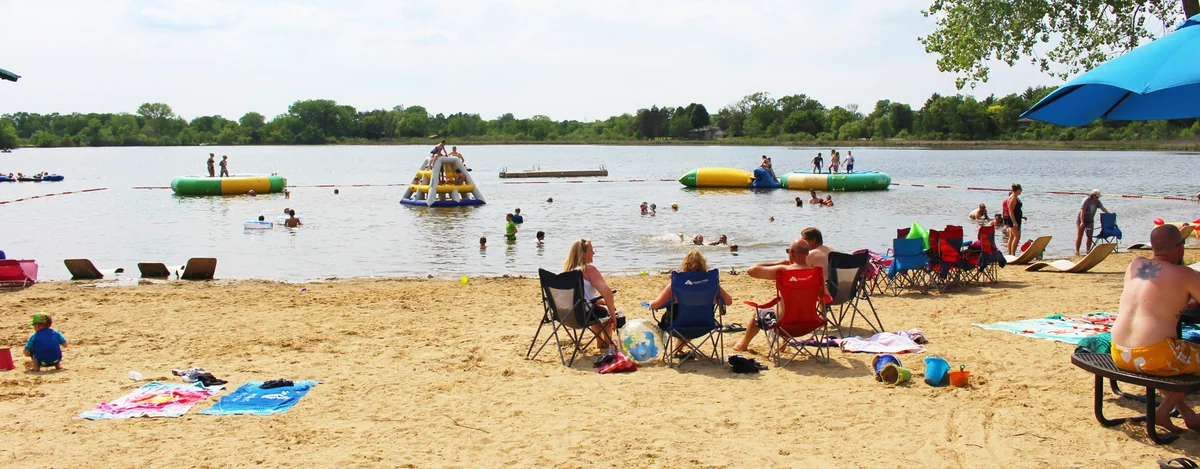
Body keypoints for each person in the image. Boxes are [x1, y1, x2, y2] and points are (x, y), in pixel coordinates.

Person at [1111, 225, 1200, 433]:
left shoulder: (1134, 264)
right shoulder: (1184, 274)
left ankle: (1188, 415)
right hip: (1153, 357)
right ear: (1180, 248)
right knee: (1170, 355)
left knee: (1165, 355)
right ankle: (1163, 411)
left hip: (1119, 353)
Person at [732, 239, 829, 352]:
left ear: (792, 253)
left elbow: (751, 270)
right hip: (809, 323)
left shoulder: (784, 271)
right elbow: (825, 296)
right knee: (794, 304)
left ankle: (742, 345)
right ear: (807, 253)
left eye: (788, 251)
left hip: (784, 325)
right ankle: (783, 345)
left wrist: (779, 263)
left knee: (758, 313)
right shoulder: (816, 274)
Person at [648, 250, 734, 356]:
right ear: (704, 264)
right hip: (705, 324)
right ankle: (677, 349)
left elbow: (656, 305)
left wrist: (651, 303)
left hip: (677, 326)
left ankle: (677, 350)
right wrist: (714, 300)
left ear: (685, 264)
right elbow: (728, 301)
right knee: (693, 314)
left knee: (681, 315)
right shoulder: (711, 283)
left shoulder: (677, 283)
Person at [564, 239, 618, 349]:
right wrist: (613, 315)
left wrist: (597, 301)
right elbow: (607, 293)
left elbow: (578, 297)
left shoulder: (567, 272)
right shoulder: (588, 269)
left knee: (595, 308)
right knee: (605, 312)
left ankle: (600, 341)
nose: (593, 253)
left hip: (566, 315)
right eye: (591, 250)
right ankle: (607, 343)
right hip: (583, 315)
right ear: (583, 254)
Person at [1076, 189, 1113, 255]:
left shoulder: (1097, 201)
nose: (1097, 198)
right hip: (1081, 219)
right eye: (1097, 197)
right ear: (1092, 195)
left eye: (1098, 197)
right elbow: (1082, 212)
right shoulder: (1086, 201)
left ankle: (1088, 251)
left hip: (1090, 220)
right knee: (1080, 235)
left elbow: (1102, 208)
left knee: (1089, 236)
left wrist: (1109, 212)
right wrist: (1082, 222)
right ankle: (1077, 251)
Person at [1005, 184, 1025, 256]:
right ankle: (1012, 254)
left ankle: (1010, 254)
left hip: (1016, 218)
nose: (1021, 191)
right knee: (1017, 237)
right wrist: (1014, 222)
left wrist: (1021, 216)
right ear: (1017, 190)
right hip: (1014, 220)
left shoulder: (1015, 197)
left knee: (1012, 237)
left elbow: (1016, 210)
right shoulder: (1013, 198)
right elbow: (1010, 211)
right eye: (1020, 189)